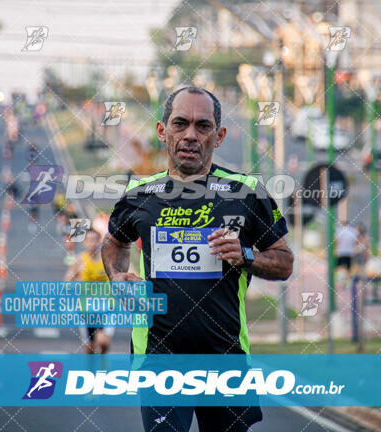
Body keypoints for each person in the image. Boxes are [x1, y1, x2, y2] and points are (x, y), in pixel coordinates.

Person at [102, 86, 294, 432]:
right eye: (180, 124)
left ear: (219, 136)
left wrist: (246, 255)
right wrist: (117, 277)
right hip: (158, 359)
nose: (191, 135)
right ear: (163, 132)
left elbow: (284, 261)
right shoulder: (139, 196)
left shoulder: (246, 192)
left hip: (225, 357)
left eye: (203, 126)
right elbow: (114, 242)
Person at [66, 228, 114, 354]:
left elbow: (118, 277)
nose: (92, 243)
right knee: (90, 347)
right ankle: (91, 370)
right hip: (86, 308)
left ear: (100, 242)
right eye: (89, 240)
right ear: (84, 243)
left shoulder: (107, 260)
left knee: (103, 342)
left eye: (95, 240)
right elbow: (68, 280)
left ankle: (102, 368)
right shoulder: (80, 260)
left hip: (106, 307)